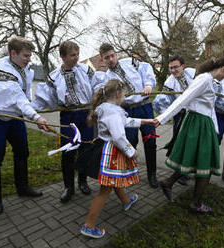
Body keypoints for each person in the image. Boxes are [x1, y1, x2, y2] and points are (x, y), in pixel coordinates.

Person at [154, 54, 224, 212]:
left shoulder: (209, 80)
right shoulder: (204, 79)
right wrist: (161, 119)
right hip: (197, 123)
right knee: (204, 165)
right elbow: (183, 99)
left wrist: (214, 129)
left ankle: (168, 183)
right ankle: (196, 203)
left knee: (193, 160)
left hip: (203, 124)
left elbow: (209, 107)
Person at [77, 79, 155, 238]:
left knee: (113, 180)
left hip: (107, 149)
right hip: (112, 152)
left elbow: (125, 121)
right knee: (105, 189)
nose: (125, 97)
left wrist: (147, 121)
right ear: (118, 94)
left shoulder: (108, 108)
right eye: (125, 94)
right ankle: (89, 225)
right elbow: (118, 136)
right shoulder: (112, 111)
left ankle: (126, 201)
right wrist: (131, 151)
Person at [31, 41, 105, 203]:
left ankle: (83, 182)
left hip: (86, 115)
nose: (76, 58)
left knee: (86, 148)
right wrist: (29, 111)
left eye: (77, 54)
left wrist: (100, 95)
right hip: (68, 116)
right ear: (63, 56)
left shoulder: (85, 70)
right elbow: (44, 98)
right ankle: (68, 187)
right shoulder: (54, 76)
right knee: (68, 152)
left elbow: (98, 85)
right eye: (72, 55)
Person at [0, 36, 48, 215]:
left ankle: (22, 188)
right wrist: (36, 117)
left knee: (23, 152)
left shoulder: (25, 68)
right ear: (13, 53)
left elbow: (25, 97)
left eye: (30, 55)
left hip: (16, 118)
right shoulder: (1, 70)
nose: (29, 59)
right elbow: (19, 99)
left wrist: (35, 110)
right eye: (26, 56)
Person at [99, 43, 159, 188]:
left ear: (116, 54)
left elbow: (147, 69)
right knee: (130, 143)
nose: (111, 59)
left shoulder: (131, 62)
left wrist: (149, 85)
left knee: (150, 141)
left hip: (144, 106)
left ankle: (152, 174)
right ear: (102, 60)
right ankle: (130, 173)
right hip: (127, 111)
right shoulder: (107, 79)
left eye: (112, 55)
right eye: (107, 58)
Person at [153, 54, 196, 186]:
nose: (173, 70)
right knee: (180, 143)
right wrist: (164, 115)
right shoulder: (169, 82)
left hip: (197, 113)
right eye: (170, 68)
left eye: (176, 67)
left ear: (183, 66)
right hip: (181, 115)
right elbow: (163, 101)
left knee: (193, 142)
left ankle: (189, 168)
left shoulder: (194, 74)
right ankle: (180, 173)